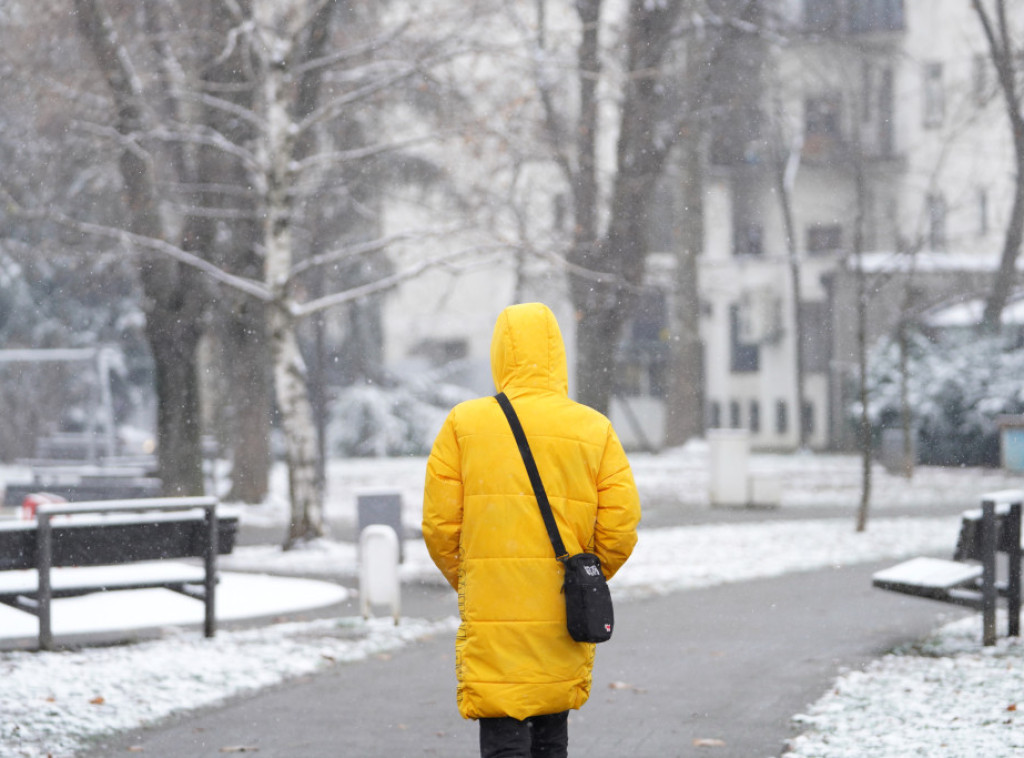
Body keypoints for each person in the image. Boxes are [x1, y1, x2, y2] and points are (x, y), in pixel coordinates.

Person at [422, 302, 642, 758]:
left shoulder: (465, 424)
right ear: (558, 354)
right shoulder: (593, 428)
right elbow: (620, 528)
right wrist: (582, 576)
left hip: (492, 608)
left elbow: (440, 527)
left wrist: (475, 579)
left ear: (500, 353)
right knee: (550, 732)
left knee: (503, 734)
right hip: (563, 609)